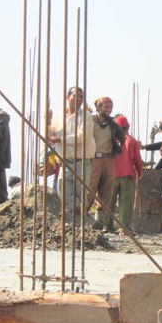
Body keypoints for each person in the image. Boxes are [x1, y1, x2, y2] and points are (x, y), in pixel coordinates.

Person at [48, 86, 96, 222]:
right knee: (64, 194)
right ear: (67, 97)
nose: (79, 99)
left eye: (81, 97)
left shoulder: (86, 116)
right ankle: (79, 219)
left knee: (81, 193)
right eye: (76, 96)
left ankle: (82, 221)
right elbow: (50, 136)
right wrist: (48, 123)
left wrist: (61, 139)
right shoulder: (58, 118)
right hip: (64, 162)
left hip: (81, 161)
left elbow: (82, 137)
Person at [88, 97, 126, 229]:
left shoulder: (113, 125)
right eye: (106, 107)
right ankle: (84, 220)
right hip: (94, 159)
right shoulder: (90, 122)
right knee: (89, 190)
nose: (108, 110)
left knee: (107, 192)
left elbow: (122, 138)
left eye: (110, 108)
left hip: (109, 159)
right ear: (98, 108)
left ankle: (101, 223)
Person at [108, 114, 143, 234]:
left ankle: (106, 226)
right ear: (127, 127)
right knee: (126, 203)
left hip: (111, 176)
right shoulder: (132, 141)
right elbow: (137, 160)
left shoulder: (110, 140)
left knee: (109, 201)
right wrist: (140, 173)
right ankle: (124, 228)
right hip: (127, 176)